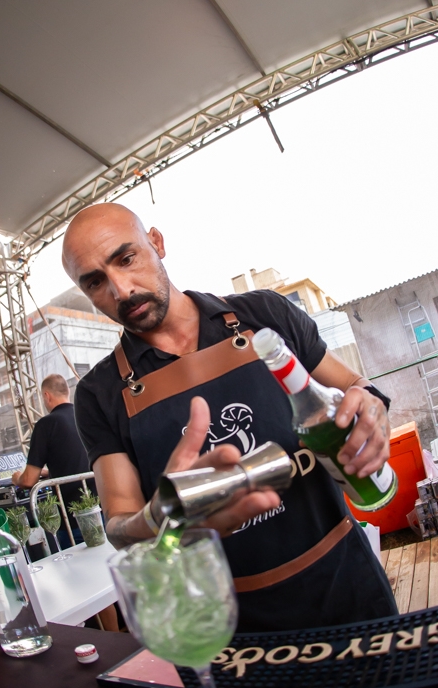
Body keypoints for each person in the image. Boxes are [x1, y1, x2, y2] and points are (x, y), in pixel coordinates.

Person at [62, 204, 397, 633]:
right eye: (95, 282)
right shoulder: (100, 393)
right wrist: (160, 516)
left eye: (126, 259)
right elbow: (119, 525)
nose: (122, 290)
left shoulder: (266, 315)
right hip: (224, 631)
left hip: (348, 589)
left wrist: (370, 407)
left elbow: (353, 385)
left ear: (157, 243)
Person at [12, 373, 118, 632]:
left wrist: (16, 477)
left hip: (73, 519)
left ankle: (106, 636)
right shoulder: (85, 415)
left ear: (46, 396)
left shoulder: (46, 424)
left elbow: (28, 480)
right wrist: (50, 472)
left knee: (88, 581)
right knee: (109, 574)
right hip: (103, 508)